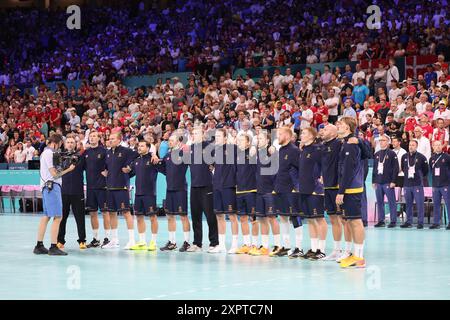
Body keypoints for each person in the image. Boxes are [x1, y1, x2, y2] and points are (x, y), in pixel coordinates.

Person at [33, 134, 75, 256]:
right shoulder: (49, 153)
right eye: (60, 144)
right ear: (56, 143)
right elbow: (55, 174)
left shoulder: (46, 153)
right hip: (52, 186)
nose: (60, 147)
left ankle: (39, 245)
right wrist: (69, 169)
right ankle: (53, 246)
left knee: (46, 216)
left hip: (47, 187)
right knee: (58, 217)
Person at [335, 117, 366, 268]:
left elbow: (348, 170)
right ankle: (354, 254)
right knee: (350, 221)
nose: (337, 126)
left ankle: (359, 257)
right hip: (350, 187)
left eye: (340, 124)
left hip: (351, 188)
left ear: (347, 127)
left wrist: (341, 191)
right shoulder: (346, 143)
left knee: (355, 221)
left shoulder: (350, 145)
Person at [122, 140, 161, 250]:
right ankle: (142, 242)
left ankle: (153, 242)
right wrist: (126, 170)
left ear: (148, 148)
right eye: (138, 146)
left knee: (152, 217)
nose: (139, 147)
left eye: (142, 146)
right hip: (138, 194)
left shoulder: (153, 159)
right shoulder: (136, 161)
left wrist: (154, 155)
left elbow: (163, 168)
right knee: (139, 217)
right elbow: (129, 172)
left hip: (150, 193)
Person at [103, 132, 138, 249]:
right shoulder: (107, 153)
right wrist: (105, 172)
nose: (110, 140)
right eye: (109, 138)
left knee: (126, 213)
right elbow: (106, 167)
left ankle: (132, 240)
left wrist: (130, 168)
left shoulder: (126, 151)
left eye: (113, 138)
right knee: (111, 213)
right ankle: (114, 240)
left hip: (122, 187)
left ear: (119, 140)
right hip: (110, 187)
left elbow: (138, 157)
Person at [272, 127, 303, 258]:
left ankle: (299, 248)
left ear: (288, 136)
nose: (277, 136)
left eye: (280, 134)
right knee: (283, 217)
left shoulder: (294, 151)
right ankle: (286, 246)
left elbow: (300, 170)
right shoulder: (280, 150)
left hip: (291, 189)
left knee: (294, 216)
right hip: (280, 188)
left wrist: (295, 187)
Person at [187, 127, 219, 252]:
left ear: (203, 134)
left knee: (210, 216)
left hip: (207, 185)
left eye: (196, 133)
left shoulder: (209, 146)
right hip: (194, 186)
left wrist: (212, 165)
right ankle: (197, 243)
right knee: (195, 216)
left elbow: (216, 161)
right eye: (193, 133)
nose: (194, 135)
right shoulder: (191, 148)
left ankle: (214, 242)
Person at [158, 134, 191, 251]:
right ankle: (172, 242)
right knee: (169, 216)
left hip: (181, 189)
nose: (169, 142)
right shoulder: (167, 155)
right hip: (169, 189)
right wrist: (156, 161)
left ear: (178, 142)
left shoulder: (184, 154)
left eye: (172, 140)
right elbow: (163, 170)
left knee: (183, 216)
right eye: (169, 141)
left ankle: (187, 242)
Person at [298, 127, 327, 260]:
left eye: (303, 132)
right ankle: (314, 248)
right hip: (304, 188)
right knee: (310, 219)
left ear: (311, 135)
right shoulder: (303, 150)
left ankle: (322, 249)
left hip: (315, 189)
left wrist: (321, 181)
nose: (301, 134)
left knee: (319, 219)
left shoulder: (318, 149)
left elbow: (324, 166)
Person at [209, 128, 239, 254]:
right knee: (219, 215)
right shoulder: (214, 151)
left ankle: (235, 244)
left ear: (226, 138)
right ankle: (221, 245)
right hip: (217, 186)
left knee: (232, 216)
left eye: (219, 136)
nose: (217, 138)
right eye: (216, 136)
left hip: (229, 186)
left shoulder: (232, 149)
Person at [320, 124, 347, 261]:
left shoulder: (339, 144)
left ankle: (348, 251)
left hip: (337, 187)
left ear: (334, 133)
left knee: (344, 220)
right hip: (327, 186)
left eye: (325, 129)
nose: (322, 131)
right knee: (332, 219)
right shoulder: (322, 145)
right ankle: (337, 250)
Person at [56, 136, 87, 250]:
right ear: (64, 144)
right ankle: (60, 241)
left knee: (80, 218)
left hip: (77, 192)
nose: (69, 144)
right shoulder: (59, 157)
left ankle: (82, 241)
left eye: (72, 142)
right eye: (68, 142)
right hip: (63, 192)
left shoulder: (81, 157)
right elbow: (56, 173)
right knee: (61, 218)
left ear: (75, 144)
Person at [83, 130, 110, 248]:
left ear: (99, 138)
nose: (92, 138)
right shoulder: (86, 152)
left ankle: (108, 238)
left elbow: (112, 164)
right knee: (92, 213)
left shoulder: (104, 151)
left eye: (95, 136)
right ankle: (96, 238)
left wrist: (108, 172)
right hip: (90, 187)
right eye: (91, 136)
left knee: (105, 212)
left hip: (102, 187)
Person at [254, 131, 279, 256]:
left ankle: (278, 245)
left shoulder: (272, 152)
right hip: (259, 191)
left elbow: (276, 171)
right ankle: (264, 246)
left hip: (270, 191)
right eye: (258, 139)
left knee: (272, 218)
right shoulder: (257, 154)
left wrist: (275, 189)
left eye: (261, 138)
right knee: (261, 219)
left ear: (268, 141)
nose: (259, 140)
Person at [235, 134, 259, 254]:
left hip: (251, 190)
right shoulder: (236, 155)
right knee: (243, 218)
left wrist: (254, 147)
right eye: (238, 140)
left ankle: (254, 245)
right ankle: (246, 244)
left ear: (248, 142)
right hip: (239, 190)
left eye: (242, 140)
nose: (239, 142)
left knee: (253, 219)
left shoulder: (252, 152)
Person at [400, 140, 428, 229]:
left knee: (419, 204)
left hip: (417, 184)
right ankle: (409, 222)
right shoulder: (404, 156)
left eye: (413, 145)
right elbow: (404, 169)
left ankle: (420, 222)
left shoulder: (421, 157)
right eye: (410, 145)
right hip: (407, 184)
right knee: (408, 204)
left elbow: (425, 170)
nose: (411, 146)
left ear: (416, 146)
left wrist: (418, 176)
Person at [372, 136, 399, 228]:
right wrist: (373, 181)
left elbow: (396, 168)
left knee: (391, 202)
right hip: (378, 182)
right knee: (380, 202)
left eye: (383, 140)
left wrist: (393, 181)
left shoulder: (392, 154)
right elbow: (375, 168)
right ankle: (381, 220)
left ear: (388, 142)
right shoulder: (377, 154)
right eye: (380, 140)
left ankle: (393, 221)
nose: (381, 142)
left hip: (388, 182)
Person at [429, 140, 450, 230]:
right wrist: (432, 185)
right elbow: (430, 172)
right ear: (433, 147)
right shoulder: (431, 158)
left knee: (448, 204)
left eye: (439, 145)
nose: (437, 147)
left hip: (445, 184)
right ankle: (436, 222)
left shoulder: (447, 157)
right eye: (435, 145)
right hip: (435, 185)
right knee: (436, 204)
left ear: (442, 146)